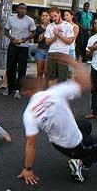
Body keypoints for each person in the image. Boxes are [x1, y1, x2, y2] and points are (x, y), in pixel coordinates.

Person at [18, 54, 96, 184]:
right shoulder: (55, 91)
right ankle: (80, 161)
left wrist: (28, 169)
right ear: (39, 83)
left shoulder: (28, 113)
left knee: (85, 125)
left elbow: (31, 143)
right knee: (89, 144)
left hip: (58, 144)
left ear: (26, 92)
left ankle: (81, 153)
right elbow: (87, 84)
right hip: (73, 143)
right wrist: (73, 63)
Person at [4, 3, 36, 99]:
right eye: (21, 8)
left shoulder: (30, 20)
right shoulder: (11, 19)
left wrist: (26, 39)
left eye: (25, 9)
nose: (23, 10)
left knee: (22, 69)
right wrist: (11, 38)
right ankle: (10, 88)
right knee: (10, 67)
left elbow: (34, 32)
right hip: (13, 45)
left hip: (24, 46)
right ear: (17, 9)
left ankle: (18, 89)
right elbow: (6, 30)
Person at [45, 7, 74, 87]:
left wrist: (59, 35)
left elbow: (69, 41)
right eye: (52, 17)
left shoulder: (67, 25)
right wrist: (55, 36)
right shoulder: (50, 26)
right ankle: (52, 95)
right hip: (52, 52)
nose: (54, 18)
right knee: (51, 77)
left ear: (59, 14)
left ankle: (61, 96)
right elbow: (47, 42)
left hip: (63, 53)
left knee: (62, 77)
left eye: (55, 16)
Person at [34, 11, 50, 85]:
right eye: (43, 16)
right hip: (40, 50)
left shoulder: (52, 27)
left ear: (49, 17)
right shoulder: (38, 28)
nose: (44, 17)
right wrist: (41, 37)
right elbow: (36, 40)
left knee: (47, 72)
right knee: (39, 72)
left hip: (49, 51)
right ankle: (38, 88)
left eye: (46, 15)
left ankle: (47, 90)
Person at [85, 18, 97, 119]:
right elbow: (87, 56)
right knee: (94, 89)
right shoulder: (92, 39)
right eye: (95, 23)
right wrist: (92, 49)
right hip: (94, 65)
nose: (96, 25)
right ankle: (94, 111)